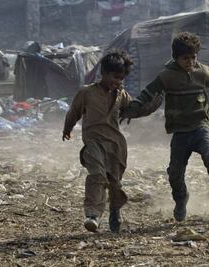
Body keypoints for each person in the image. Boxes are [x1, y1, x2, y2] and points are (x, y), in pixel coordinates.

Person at [122, 32, 209, 221]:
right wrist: (131, 110)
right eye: (185, 58)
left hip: (200, 126)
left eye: (193, 57)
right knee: (175, 173)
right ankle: (181, 199)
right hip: (180, 131)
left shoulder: (203, 72)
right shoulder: (167, 76)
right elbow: (147, 94)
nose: (190, 62)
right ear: (176, 58)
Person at [62, 51, 160, 233]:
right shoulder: (87, 93)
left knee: (115, 184)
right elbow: (73, 112)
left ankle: (115, 211)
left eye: (121, 78)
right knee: (96, 175)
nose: (118, 81)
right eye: (115, 77)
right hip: (94, 143)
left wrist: (154, 105)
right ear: (104, 73)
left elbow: (134, 110)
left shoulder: (121, 95)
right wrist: (67, 128)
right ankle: (93, 214)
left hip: (116, 146)